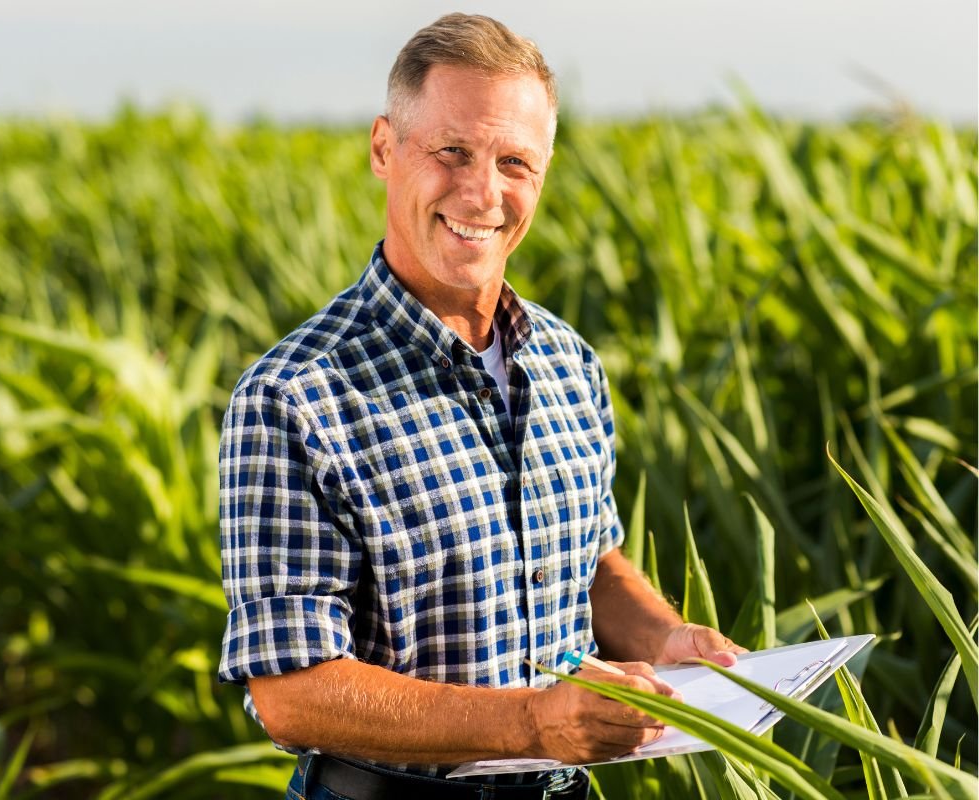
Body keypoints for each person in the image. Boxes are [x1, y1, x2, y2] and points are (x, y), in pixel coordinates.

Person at [218, 13, 744, 800]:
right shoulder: (294, 396)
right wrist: (533, 722)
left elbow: (590, 566)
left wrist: (665, 638)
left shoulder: (568, 363)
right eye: (452, 152)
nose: (483, 192)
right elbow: (291, 693)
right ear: (384, 149)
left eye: (515, 162)